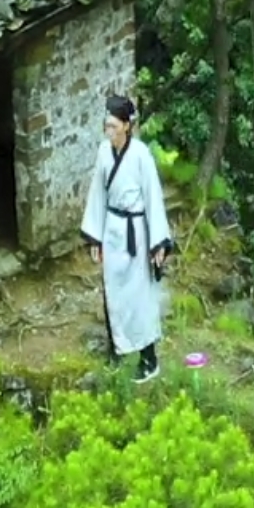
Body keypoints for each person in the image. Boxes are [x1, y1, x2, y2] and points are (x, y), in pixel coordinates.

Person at [81, 94, 171, 381]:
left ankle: (149, 359)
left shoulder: (141, 155)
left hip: (137, 235)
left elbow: (153, 197)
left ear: (126, 127)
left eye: (114, 126)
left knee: (139, 296)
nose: (109, 131)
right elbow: (98, 193)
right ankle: (116, 349)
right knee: (112, 292)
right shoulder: (103, 153)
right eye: (106, 126)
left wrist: (158, 242)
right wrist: (95, 238)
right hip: (112, 230)